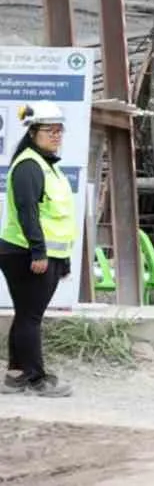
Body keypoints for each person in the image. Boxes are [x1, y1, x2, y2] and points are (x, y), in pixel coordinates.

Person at [2, 102, 76, 397]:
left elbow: (57, 218)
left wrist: (64, 257)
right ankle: (36, 379)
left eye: (59, 130)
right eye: (49, 130)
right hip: (23, 253)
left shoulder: (47, 166)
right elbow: (27, 213)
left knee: (25, 315)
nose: (56, 135)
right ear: (33, 132)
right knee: (31, 317)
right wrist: (39, 253)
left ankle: (16, 374)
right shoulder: (29, 166)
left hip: (43, 254)